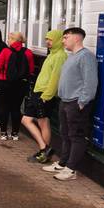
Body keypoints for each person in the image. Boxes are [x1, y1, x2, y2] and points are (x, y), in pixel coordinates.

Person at [42, 26, 98, 182]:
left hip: (76, 103)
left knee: (76, 136)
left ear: (76, 38)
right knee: (65, 134)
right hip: (65, 101)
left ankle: (71, 169)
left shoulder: (86, 56)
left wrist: (82, 102)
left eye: (66, 37)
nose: (63, 40)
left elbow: (90, 82)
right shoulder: (71, 56)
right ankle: (63, 163)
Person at [22, 29, 66, 162]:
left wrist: (46, 96)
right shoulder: (52, 54)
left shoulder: (60, 56)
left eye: (51, 39)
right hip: (39, 91)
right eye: (46, 39)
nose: (47, 42)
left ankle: (44, 150)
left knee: (35, 121)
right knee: (40, 121)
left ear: (58, 40)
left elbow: (55, 78)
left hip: (44, 93)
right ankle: (44, 150)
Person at [0, 32, 35, 142]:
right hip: (21, 84)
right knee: (16, 108)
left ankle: (3, 133)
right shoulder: (28, 52)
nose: (7, 41)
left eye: (9, 39)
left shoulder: (5, 51)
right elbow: (31, 70)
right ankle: (15, 134)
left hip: (5, 83)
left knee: (4, 108)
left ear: (13, 40)